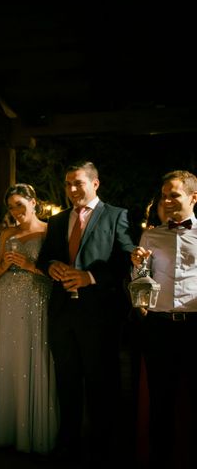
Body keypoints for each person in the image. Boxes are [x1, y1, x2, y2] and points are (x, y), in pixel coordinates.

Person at [35, 161, 135, 464]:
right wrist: (50, 265)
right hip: (63, 313)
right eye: (68, 184)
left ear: (95, 183)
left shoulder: (118, 216)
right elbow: (44, 258)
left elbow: (127, 260)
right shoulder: (58, 220)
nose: (72, 189)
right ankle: (68, 446)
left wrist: (89, 277)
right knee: (66, 382)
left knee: (101, 384)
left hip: (99, 315)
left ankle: (103, 449)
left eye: (78, 183)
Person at [0, 183, 57, 454]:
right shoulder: (6, 233)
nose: (15, 212)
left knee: (32, 356)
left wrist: (29, 266)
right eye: (11, 207)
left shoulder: (49, 230)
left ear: (34, 202)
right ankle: (4, 429)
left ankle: (34, 433)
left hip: (37, 298)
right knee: (7, 359)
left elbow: (57, 272)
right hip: (5, 299)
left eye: (20, 205)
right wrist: (4, 266)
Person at [131, 170, 197, 467]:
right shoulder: (150, 234)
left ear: (193, 198)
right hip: (159, 327)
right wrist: (137, 267)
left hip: (196, 326)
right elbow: (142, 283)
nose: (167, 201)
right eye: (164, 195)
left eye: (174, 194)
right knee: (160, 402)